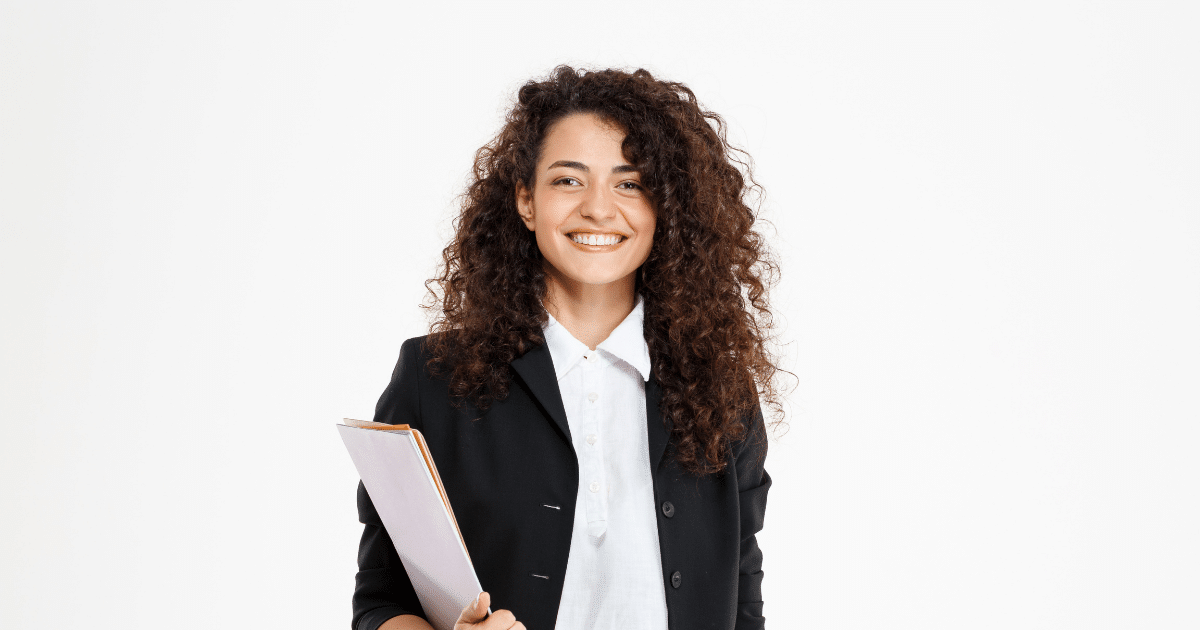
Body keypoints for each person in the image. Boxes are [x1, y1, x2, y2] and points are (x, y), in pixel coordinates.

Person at [352, 66, 783, 630]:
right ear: (526, 202)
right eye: (568, 180)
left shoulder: (719, 390)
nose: (599, 210)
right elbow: (381, 600)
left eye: (630, 183)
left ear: (665, 207)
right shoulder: (433, 378)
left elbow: (742, 601)